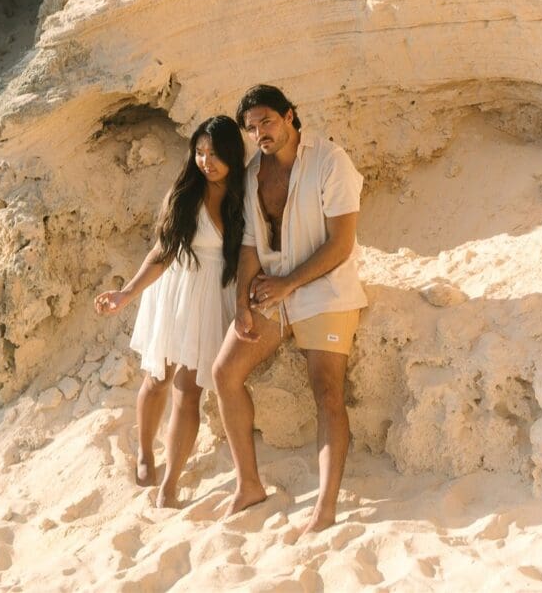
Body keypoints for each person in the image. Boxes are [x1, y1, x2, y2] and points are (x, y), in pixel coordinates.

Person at [211, 84, 367, 534]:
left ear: (290, 116)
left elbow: (341, 244)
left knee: (326, 390)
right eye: (252, 127)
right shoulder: (252, 171)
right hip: (272, 288)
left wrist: (288, 284)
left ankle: (325, 506)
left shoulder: (329, 161)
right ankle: (248, 485)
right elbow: (248, 244)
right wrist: (242, 302)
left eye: (268, 121)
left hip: (323, 286)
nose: (261, 132)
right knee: (225, 373)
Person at [94, 114, 245, 507]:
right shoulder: (186, 194)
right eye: (199, 152)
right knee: (157, 379)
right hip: (175, 291)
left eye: (214, 154)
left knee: (188, 392)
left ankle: (170, 485)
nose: (205, 162)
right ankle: (145, 453)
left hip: (212, 298)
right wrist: (125, 294)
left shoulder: (243, 198)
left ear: (232, 154)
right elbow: (163, 253)